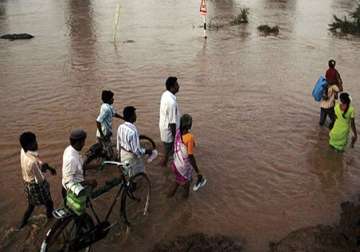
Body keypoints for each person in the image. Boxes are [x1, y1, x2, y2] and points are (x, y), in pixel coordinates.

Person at [18, 132, 56, 229]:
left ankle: (21, 225)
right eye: (34, 142)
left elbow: (36, 157)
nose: (36, 143)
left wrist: (47, 167)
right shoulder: (33, 163)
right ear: (28, 145)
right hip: (36, 185)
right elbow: (40, 180)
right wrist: (45, 170)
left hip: (27, 183)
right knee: (49, 203)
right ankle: (50, 220)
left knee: (31, 206)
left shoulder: (23, 150)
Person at [167, 114, 206, 199]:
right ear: (189, 125)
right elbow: (191, 156)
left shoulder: (177, 132)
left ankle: (168, 198)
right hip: (183, 168)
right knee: (186, 186)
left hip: (176, 164)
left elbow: (178, 146)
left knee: (177, 182)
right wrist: (198, 172)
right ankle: (184, 205)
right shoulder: (189, 137)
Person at [117, 106, 155, 177]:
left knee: (128, 174)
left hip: (123, 154)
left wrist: (119, 156)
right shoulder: (133, 131)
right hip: (131, 158)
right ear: (132, 117)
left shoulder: (120, 127)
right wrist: (147, 151)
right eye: (135, 114)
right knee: (139, 174)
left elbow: (118, 144)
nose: (136, 116)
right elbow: (136, 151)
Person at [62, 129, 97, 203]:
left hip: (76, 186)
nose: (84, 144)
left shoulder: (69, 149)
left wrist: (94, 166)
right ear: (78, 142)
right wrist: (88, 182)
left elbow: (79, 166)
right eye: (83, 141)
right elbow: (69, 183)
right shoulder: (71, 159)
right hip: (72, 192)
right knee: (78, 212)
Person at [159, 76, 180, 167]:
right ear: (172, 87)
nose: (179, 86)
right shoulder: (171, 102)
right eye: (177, 85)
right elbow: (172, 122)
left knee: (168, 153)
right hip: (169, 132)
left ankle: (166, 169)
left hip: (164, 128)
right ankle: (163, 170)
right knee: (168, 154)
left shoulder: (165, 94)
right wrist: (175, 137)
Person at [96, 90, 123, 159]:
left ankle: (104, 162)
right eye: (112, 98)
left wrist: (123, 118)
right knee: (109, 153)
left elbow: (114, 114)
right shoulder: (106, 109)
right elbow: (98, 121)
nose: (113, 99)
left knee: (105, 150)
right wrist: (102, 135)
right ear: (108, 99)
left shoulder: (107, 106)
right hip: (104, 134)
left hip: (105, 133)